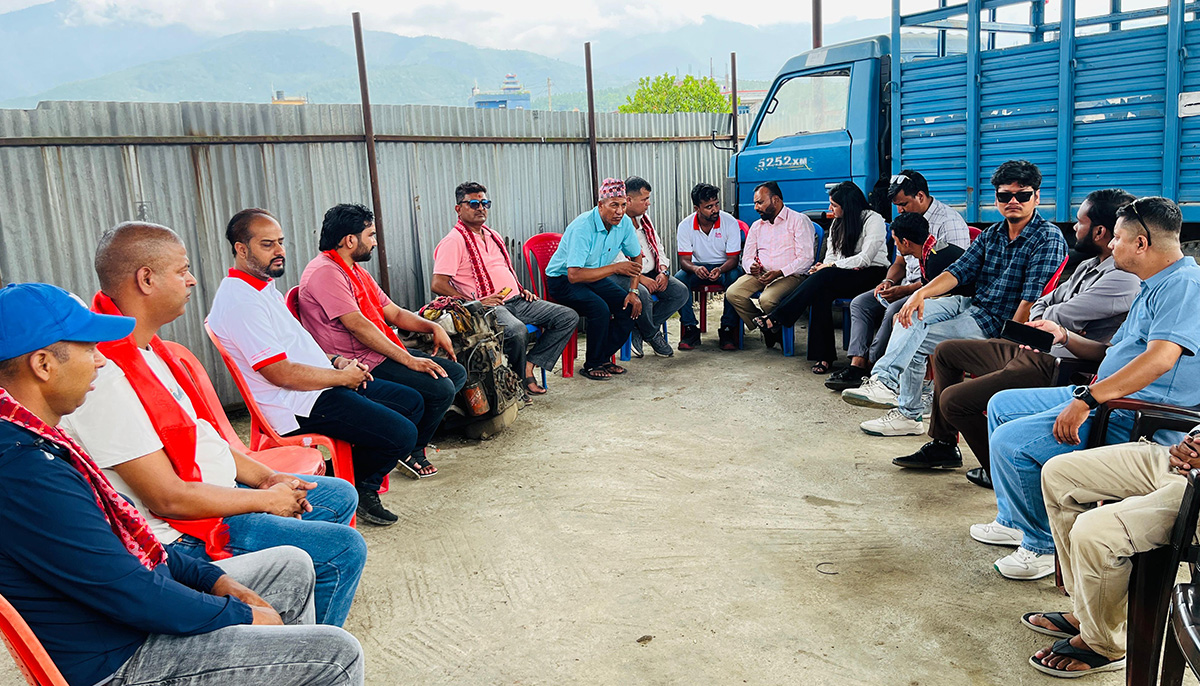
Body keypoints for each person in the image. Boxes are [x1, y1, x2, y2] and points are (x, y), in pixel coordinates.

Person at [0, 282, 364, 686]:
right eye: (88, 349)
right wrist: (242, 614)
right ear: (43, 365)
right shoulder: (25, 468)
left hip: (129, 617)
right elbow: (132, 592)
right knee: (337, 655)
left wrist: (214, 580)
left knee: (291, 568)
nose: (100, 361)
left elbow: (132, 546)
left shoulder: (38, 437)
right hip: (119, 658)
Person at [59, 221, 366, 627]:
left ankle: (291, 610)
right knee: (343, 549)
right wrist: (263, 500)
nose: (191, 280)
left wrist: (267, 478)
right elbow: (167, 500)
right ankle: (304, 649)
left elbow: (200, 435)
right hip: (185, 530)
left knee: (338, 495)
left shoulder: (150, 350)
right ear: (146, 280)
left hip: (214, 490)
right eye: (182, 270)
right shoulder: (108, 376)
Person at [971, 196, 1200, 580]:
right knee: (1001, 405)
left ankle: (1041, 546)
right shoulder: (1153, 284)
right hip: (1109, 397)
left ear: (1141, 243)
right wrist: (1063, 335)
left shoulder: (1184, 286)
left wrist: (1087, 399)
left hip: (1134, 413)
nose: (1111, 244)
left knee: (1013, 442)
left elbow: (1160, 359)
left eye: (1118, 238)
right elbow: (1111, 354)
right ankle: (1014, 521)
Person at [893, 188, 1140, 488]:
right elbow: (1043, 304)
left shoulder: (1121, 278)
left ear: (1100, 232)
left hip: (1057, 362)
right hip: (1031, 343)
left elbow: (1059, 316)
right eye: (1003, 195)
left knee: (954, 400)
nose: (1075, 227)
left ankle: (1002, 471)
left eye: (1080, 222)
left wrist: (1052, 316)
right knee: (946, 351)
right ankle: (944, 446)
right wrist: (1050, 313)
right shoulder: (1088, 265)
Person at [207, 208, 428, 526]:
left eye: (281, 242)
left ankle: (344, 477)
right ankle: (349, 487)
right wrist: (341, 377)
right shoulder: (241, 302)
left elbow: (296, 347)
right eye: (267, 244)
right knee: (401, 434)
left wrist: (336, 362)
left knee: (411, 402)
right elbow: (279, 373)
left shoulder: (261, 287)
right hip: (296, 404)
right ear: (241, 249)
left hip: (317, 386)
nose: (280, 251)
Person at [843, 160, 1068, 438]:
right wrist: (920, 294)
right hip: (973, 305)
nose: (1013, 201)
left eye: (1022, 195)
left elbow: (1030, 299)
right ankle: (888, 386)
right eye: (1004, 195)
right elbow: (958, 271)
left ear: (1036, 197)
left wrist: (1006, 345)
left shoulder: (1047, 237)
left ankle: (904, 408)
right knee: (909, 315)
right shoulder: (992, 234)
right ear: (996, 198)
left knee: (913, 338)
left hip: (996, 322)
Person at [298, 203, 468, 473]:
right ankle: (410, 449)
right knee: (440, 389)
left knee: (456, 373)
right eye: (371, 235)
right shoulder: (325, 272)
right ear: (350, 240)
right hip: (357, 362)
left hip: (375, 353)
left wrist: (432, 327)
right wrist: (409, 360)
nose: (375, 242)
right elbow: (358, 327)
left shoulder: (354, 270)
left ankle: (407, 444)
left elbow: (394, 313)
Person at [1024, 428, 1200, 676]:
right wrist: (1194, 439)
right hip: (1178, 463)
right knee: (1058, 473)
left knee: (1094, 532)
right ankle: (1086, 615)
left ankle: (1104, 645)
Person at [826, 170, 972, 391]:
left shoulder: (949, 222)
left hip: (936, 292)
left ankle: (877, 370)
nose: (899, 210)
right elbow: (899, 263)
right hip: (907, 286)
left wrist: (908, 291)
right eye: (896, 206)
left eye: (903, 204)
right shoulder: (904, 221)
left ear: (920, 196)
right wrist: (888, 282)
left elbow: (952, 275)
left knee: (896, 310)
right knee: (861, 303)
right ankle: (857, 364)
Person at [431, 182, 579, 393]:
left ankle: (528, 366)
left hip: (517, 300)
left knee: (567, 317)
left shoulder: (493, 235)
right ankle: (517, 385)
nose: (481, 208)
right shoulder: (453, 241)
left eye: (485, 203)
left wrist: (520, 288)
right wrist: (476, 302)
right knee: (517, 331)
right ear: (458, 209)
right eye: (473, 204)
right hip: (488, 307)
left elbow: (504, 269)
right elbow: (438, 284)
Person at [752, 181, 889, 372]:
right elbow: (831, 256)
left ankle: (777, 318)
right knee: (820, 292)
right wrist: (824, 266)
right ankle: (824, 357)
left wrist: (830, 266)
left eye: (834, 205)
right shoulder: (837, 223)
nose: (830, 209)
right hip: (843, 274)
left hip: (872, 274)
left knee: (824, 276)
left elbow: (865, 258)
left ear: (848, 205)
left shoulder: (873, 220)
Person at [544, 178, 644, 381]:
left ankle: (602, 357)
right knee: (600, 309)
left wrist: (633, 292)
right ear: (600, 205)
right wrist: (616, 267)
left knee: (627, 307)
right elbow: (574, 275)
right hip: (562, 280)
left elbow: (636, 257)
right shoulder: (583, 227)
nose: (619, 211)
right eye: (613, 205)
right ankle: (592, 364)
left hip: (593, 276)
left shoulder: (624, 223)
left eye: (623, 205)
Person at [723, 181, 816, 350]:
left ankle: (771, 326)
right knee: (733, 293)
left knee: (767, 300)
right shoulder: (757, 226)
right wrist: (751, 266)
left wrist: (779, 272)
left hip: (790, 275)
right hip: (761, 273)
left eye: (760, 202)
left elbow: (806, 259)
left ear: (776, 200)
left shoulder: (798, 220)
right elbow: (747, 256)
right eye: (755, 203)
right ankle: (767, 326)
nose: (756, 207)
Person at [623, 175, 689, 358]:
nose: (648, 203)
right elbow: (617, 259)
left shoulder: (644, 219)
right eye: (644, 199)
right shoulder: (618, 223)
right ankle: (652, 334)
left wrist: (664, 271)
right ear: (629, 200)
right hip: (630, 276)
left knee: (680, 292)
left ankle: (639, 329)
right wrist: (641, 279)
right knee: (643, 294)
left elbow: (658, 247)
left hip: (653, 272)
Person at [674, 182, 744, 351]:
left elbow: (733, 259)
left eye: (716, 204)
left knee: (736, 277)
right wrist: (695, 268)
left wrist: (720, 269)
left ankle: (727, 329)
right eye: (709, 207)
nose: (715, 210)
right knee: (678, 281)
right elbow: (684, 261)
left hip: (725, 267)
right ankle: (690, 329)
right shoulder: (685, 226)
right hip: (698, 268)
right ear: (697, 208)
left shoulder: (729, 222)